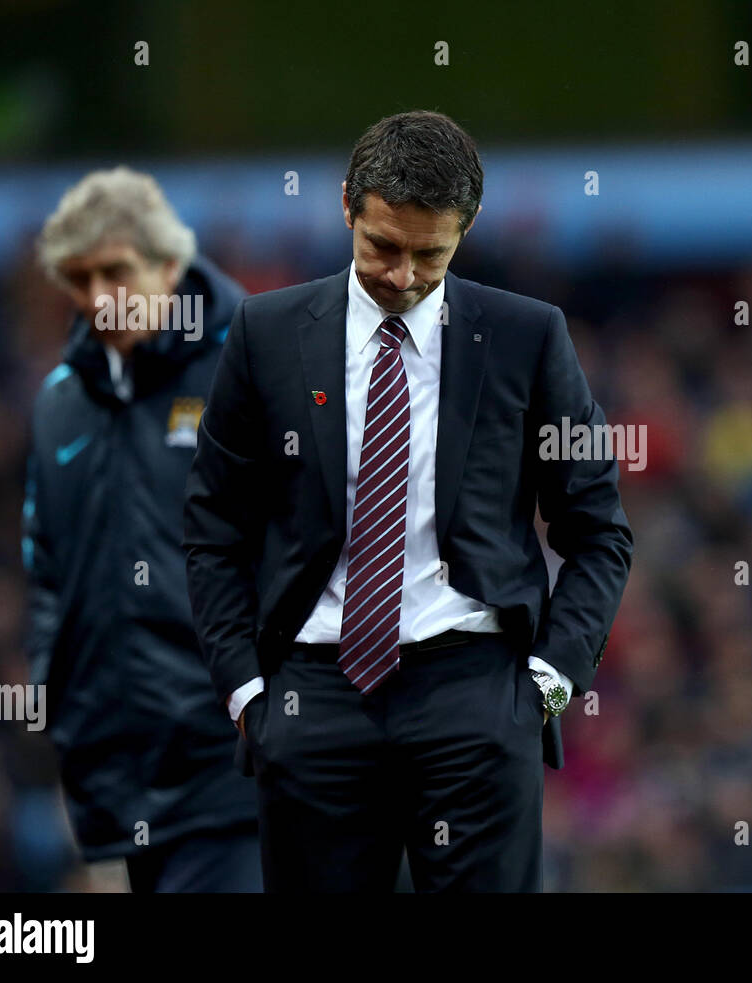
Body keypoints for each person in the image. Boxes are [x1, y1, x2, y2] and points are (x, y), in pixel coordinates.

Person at [184, 110, 633, 891]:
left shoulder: (530, 338)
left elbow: (597, 529)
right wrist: (248, 689)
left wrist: (548, 681)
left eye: (431, 253)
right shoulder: (265, 334)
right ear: (347, 204)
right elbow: (213, 526)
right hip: (310, 699)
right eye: (382, 247)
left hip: (477, 696)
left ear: (470, 226)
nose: (402, 275)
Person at [23, 167, 262, 892]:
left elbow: (312, 547)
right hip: (109, 779)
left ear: (168, 264)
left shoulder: (248, 372)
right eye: (80, 277)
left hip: (232, 776)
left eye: (116, 271)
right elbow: (44, 568)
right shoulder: (60, 402)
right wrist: (54, 687)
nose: (98, 297)